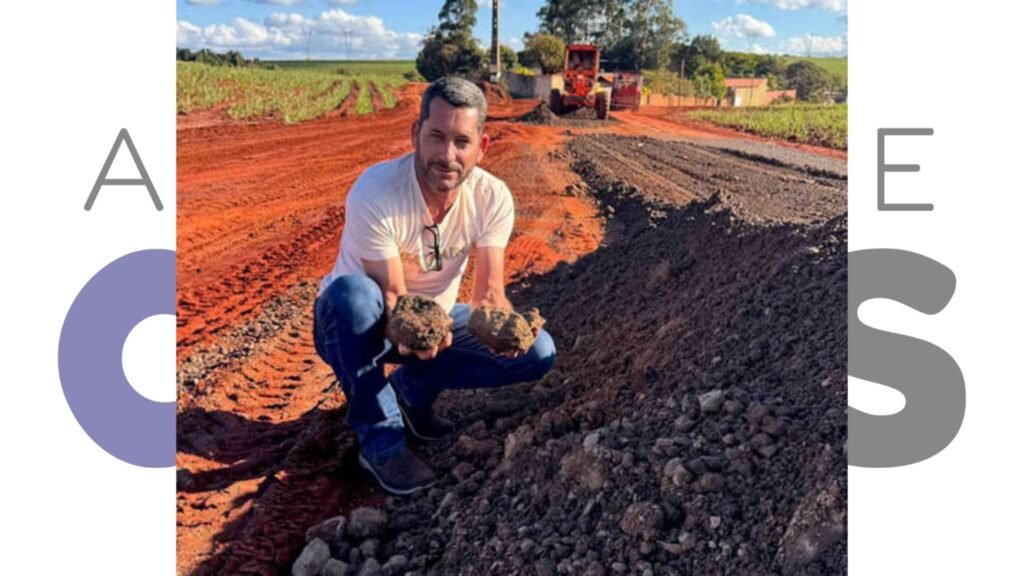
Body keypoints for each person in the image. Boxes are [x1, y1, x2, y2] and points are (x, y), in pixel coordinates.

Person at [312, 77, 557, 496]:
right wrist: (421, 335)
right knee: (352, 295)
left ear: (483, 147)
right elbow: (390, 297)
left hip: (435, 321)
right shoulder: (376, 191)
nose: (447, 155)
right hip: (358, 326)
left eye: (462, 141)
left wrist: (504, 327)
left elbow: (488, 295)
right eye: (436, 137)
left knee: (538, 353)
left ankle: (409, 395)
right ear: (415, 135)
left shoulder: (492, 197)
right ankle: (381, 441)